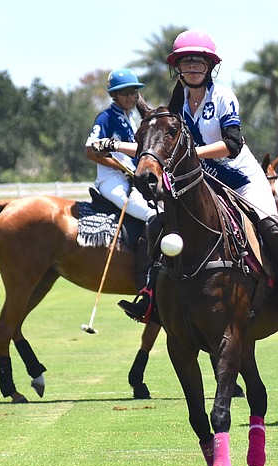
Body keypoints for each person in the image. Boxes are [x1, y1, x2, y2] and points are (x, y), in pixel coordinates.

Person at [116, 29, 278, 330]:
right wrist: (119, 146)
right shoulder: (177, 104)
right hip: (201, 183)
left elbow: (232, 144)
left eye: (198, 61)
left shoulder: (223, 97)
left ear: (209, 66)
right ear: (178, 67)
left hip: (242, 179)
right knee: (157, 226)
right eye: (186, 62)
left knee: (271, 228)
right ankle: (152, 296)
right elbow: (157, 143)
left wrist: (193, 153)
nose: (192, 67)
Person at [86, 68, 156, 297]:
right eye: (124, 93)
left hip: (132, 178)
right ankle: (144, 282)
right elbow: (90, 150)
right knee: (151, 216)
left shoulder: (131, 119)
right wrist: (121, 167)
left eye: (133, 92)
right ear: (114, 95)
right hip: (111, 180)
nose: (130, 97)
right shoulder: (106, 117)